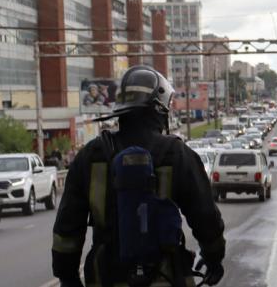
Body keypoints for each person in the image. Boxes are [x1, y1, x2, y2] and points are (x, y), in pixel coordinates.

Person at [52, 66, 226, 287]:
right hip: (165, 277)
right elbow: (206, 217)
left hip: (104, 277)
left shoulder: (90, 156)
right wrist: (213, 258)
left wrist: (68, 277)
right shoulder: (177, 154)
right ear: (160, 110)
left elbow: (66, 229)